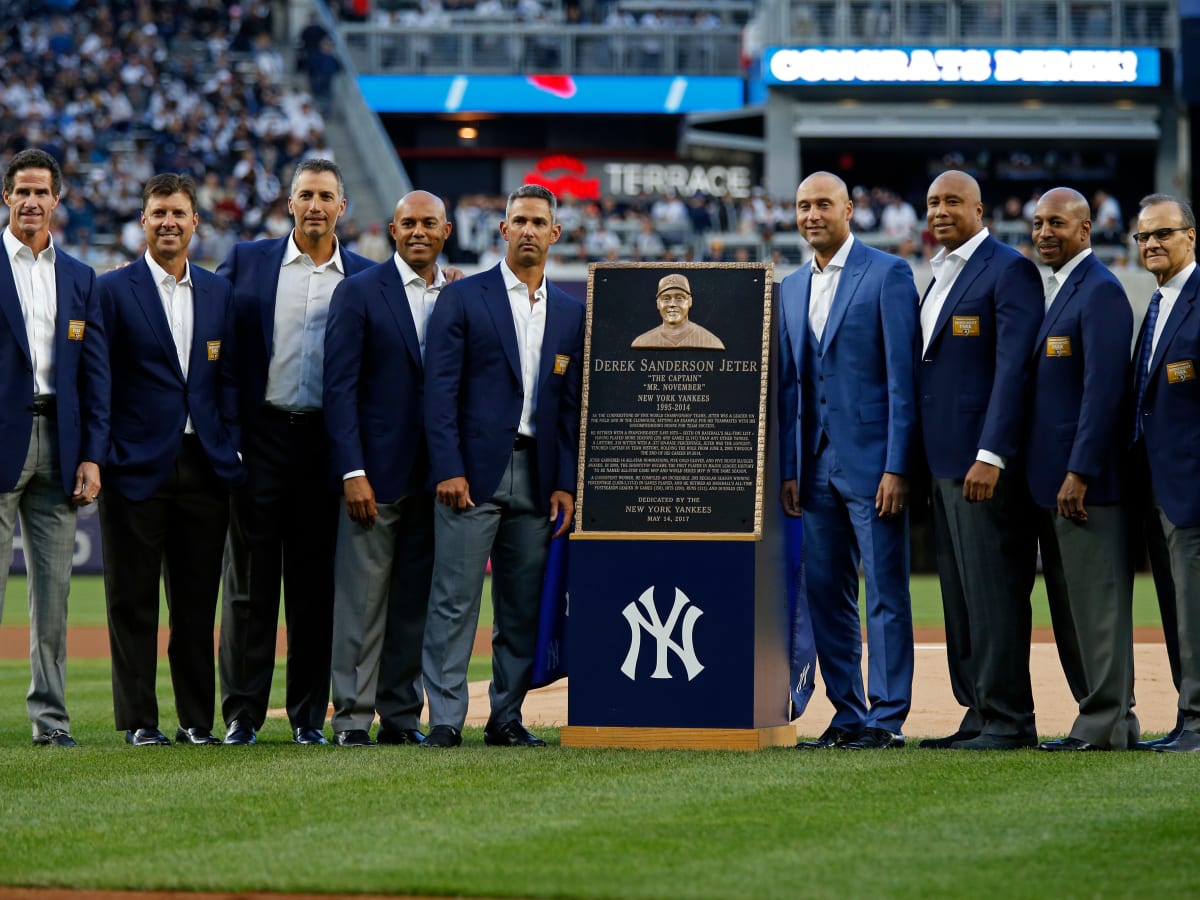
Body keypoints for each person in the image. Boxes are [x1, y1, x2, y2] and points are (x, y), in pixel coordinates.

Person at [217, 159, 374, 746]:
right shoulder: (246, 261)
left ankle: (308, 717)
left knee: (315, 589)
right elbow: (221, 353)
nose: (314, 205)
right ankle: (242, 715)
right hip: (258, 440)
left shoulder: (365, 277)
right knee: (250, 587)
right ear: (289, 203)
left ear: (342, 208)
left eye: (325, 196)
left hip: (326, 448)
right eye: (305, 194)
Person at [421, 184, 584, 748]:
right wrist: (448, 466)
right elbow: (438, 393)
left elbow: (568, 411)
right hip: (470, 474)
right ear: (503, 229)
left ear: (555, 233)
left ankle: (505, 718)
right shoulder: (465, 298)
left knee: (521, 608)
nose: (529, 230)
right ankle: (444, 718)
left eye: (540, 222)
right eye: (520, 221)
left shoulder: (570, 312)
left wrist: (565, 483)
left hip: (538, 477)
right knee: (454, 601)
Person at [97, 173, 243, 746]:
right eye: (158, 213)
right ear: (143, 220)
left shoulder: (218, 292)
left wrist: (227, 442)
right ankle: (139, 722)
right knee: (131, 602)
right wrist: (106, 456)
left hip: (204, 466)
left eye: (178, 213)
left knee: (195, 605)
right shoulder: (112, 291)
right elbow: (99, 382)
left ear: (195, 222)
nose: (168, 222)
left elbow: (226, 380)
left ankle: (195, 722)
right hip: (135, 467)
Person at [777, 172, 919, 750]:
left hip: (872, 464)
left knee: (884, 589)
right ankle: (849, 714)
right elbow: (790, 387)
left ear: (850, 209)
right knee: (826, 593)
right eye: (803, 206)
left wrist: (898, 465)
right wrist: (789, 468)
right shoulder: (787, 287)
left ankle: (887, 717)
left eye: (823, 205)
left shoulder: (889, 274)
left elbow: (902, 380)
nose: (812, 214)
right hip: (811, 466)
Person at [323, 191, 459, 747]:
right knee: (360, 603)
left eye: (430, 223)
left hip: (436, 478)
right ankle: (352, 719)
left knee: (412, 606)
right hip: (374, 478)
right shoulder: (358, 292)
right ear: (392, 230)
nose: (420, 232)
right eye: (410, 224)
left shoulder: (460, 294)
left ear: (445, 231)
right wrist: (352, 471)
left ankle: (400, 716)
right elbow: (339, 390)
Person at [917, 170, 1043, 750]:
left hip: (982, 466)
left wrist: (991, 453)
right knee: (961, 597)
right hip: (941, 464)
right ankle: (977, 712)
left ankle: (1010, 718)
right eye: (933, 202)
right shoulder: (938, 275)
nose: (940, 210)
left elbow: (1014, 371)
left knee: (993, 592)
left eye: (952, 202)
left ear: (980, 209)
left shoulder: (1009, 269)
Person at [1024, 187, 1138, 751]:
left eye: (1058, 224)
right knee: (1071, 610)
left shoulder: (1100, 292)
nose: (1045, 232)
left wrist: (1081, 470)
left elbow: (1104, 394)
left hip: (1086, 485)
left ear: (1086, 229)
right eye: (1039, 223)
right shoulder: (1056, 290)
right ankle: (1107, 720)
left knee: (1097, 610)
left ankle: (1107, 722)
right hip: (1053, 483)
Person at [0, 149, 107, 748]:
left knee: (54, 596)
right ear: (6, 198)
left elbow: (93, 377)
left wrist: (91, 454)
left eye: (42, 192)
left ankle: (51, 720)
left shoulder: (79, 276)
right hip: (1, 440)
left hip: (61, 446)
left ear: (57, 201)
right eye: (22, 192)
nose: (32, 201)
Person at [1126, 194, 1200, 753]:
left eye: (1163, 234)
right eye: (1143, 237)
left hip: (1190, 485)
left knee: (1194, 607)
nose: (1152, 244)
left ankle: (1198, 723)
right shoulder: (1156, 305)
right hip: (1156, 485)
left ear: (1190, 236)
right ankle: (1186, 717)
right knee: (1177, 606)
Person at [630, 273, 725, 350]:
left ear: (690, 302)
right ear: (658, 304)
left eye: (679, 298)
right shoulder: (642, 341)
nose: (672, 304)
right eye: (666, 298)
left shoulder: (710, 341)